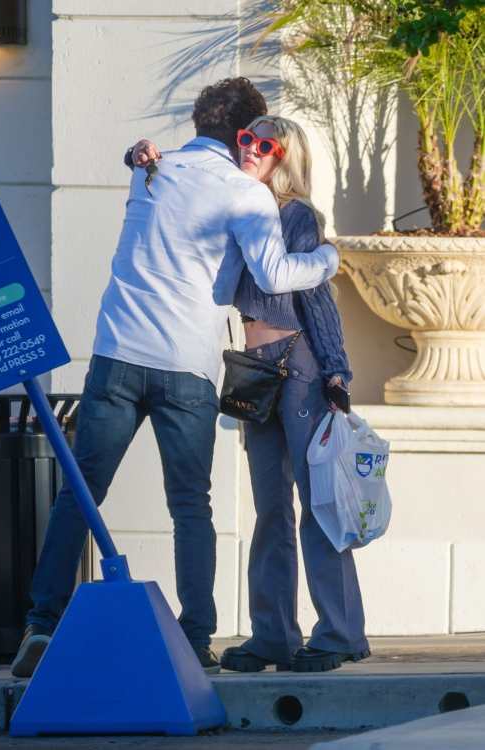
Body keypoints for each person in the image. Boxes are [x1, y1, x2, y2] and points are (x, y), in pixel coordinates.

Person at [11, 78, 340, 679]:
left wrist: (136, 153)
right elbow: (271, 276)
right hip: (186, 366)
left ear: (197, 123)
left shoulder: (151, 168)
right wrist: (326, 259)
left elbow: (140, 163)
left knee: (81, 492)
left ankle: (41, 623)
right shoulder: (246, 193)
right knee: (191, 506)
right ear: (244, 132)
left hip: (116, 355)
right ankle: (194, 637)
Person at [129, 115, 370, 673]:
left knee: (319, 505)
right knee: (269, 511)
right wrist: (145, 160)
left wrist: (337, 371)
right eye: (246, 139)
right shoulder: (241, 208)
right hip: (254, 370)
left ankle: (337, 632)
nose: (252, 149)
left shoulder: (297, 215)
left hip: (302, 366)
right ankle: (274, 635)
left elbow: (318, 298)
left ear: (286, 158)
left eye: (266, 144)